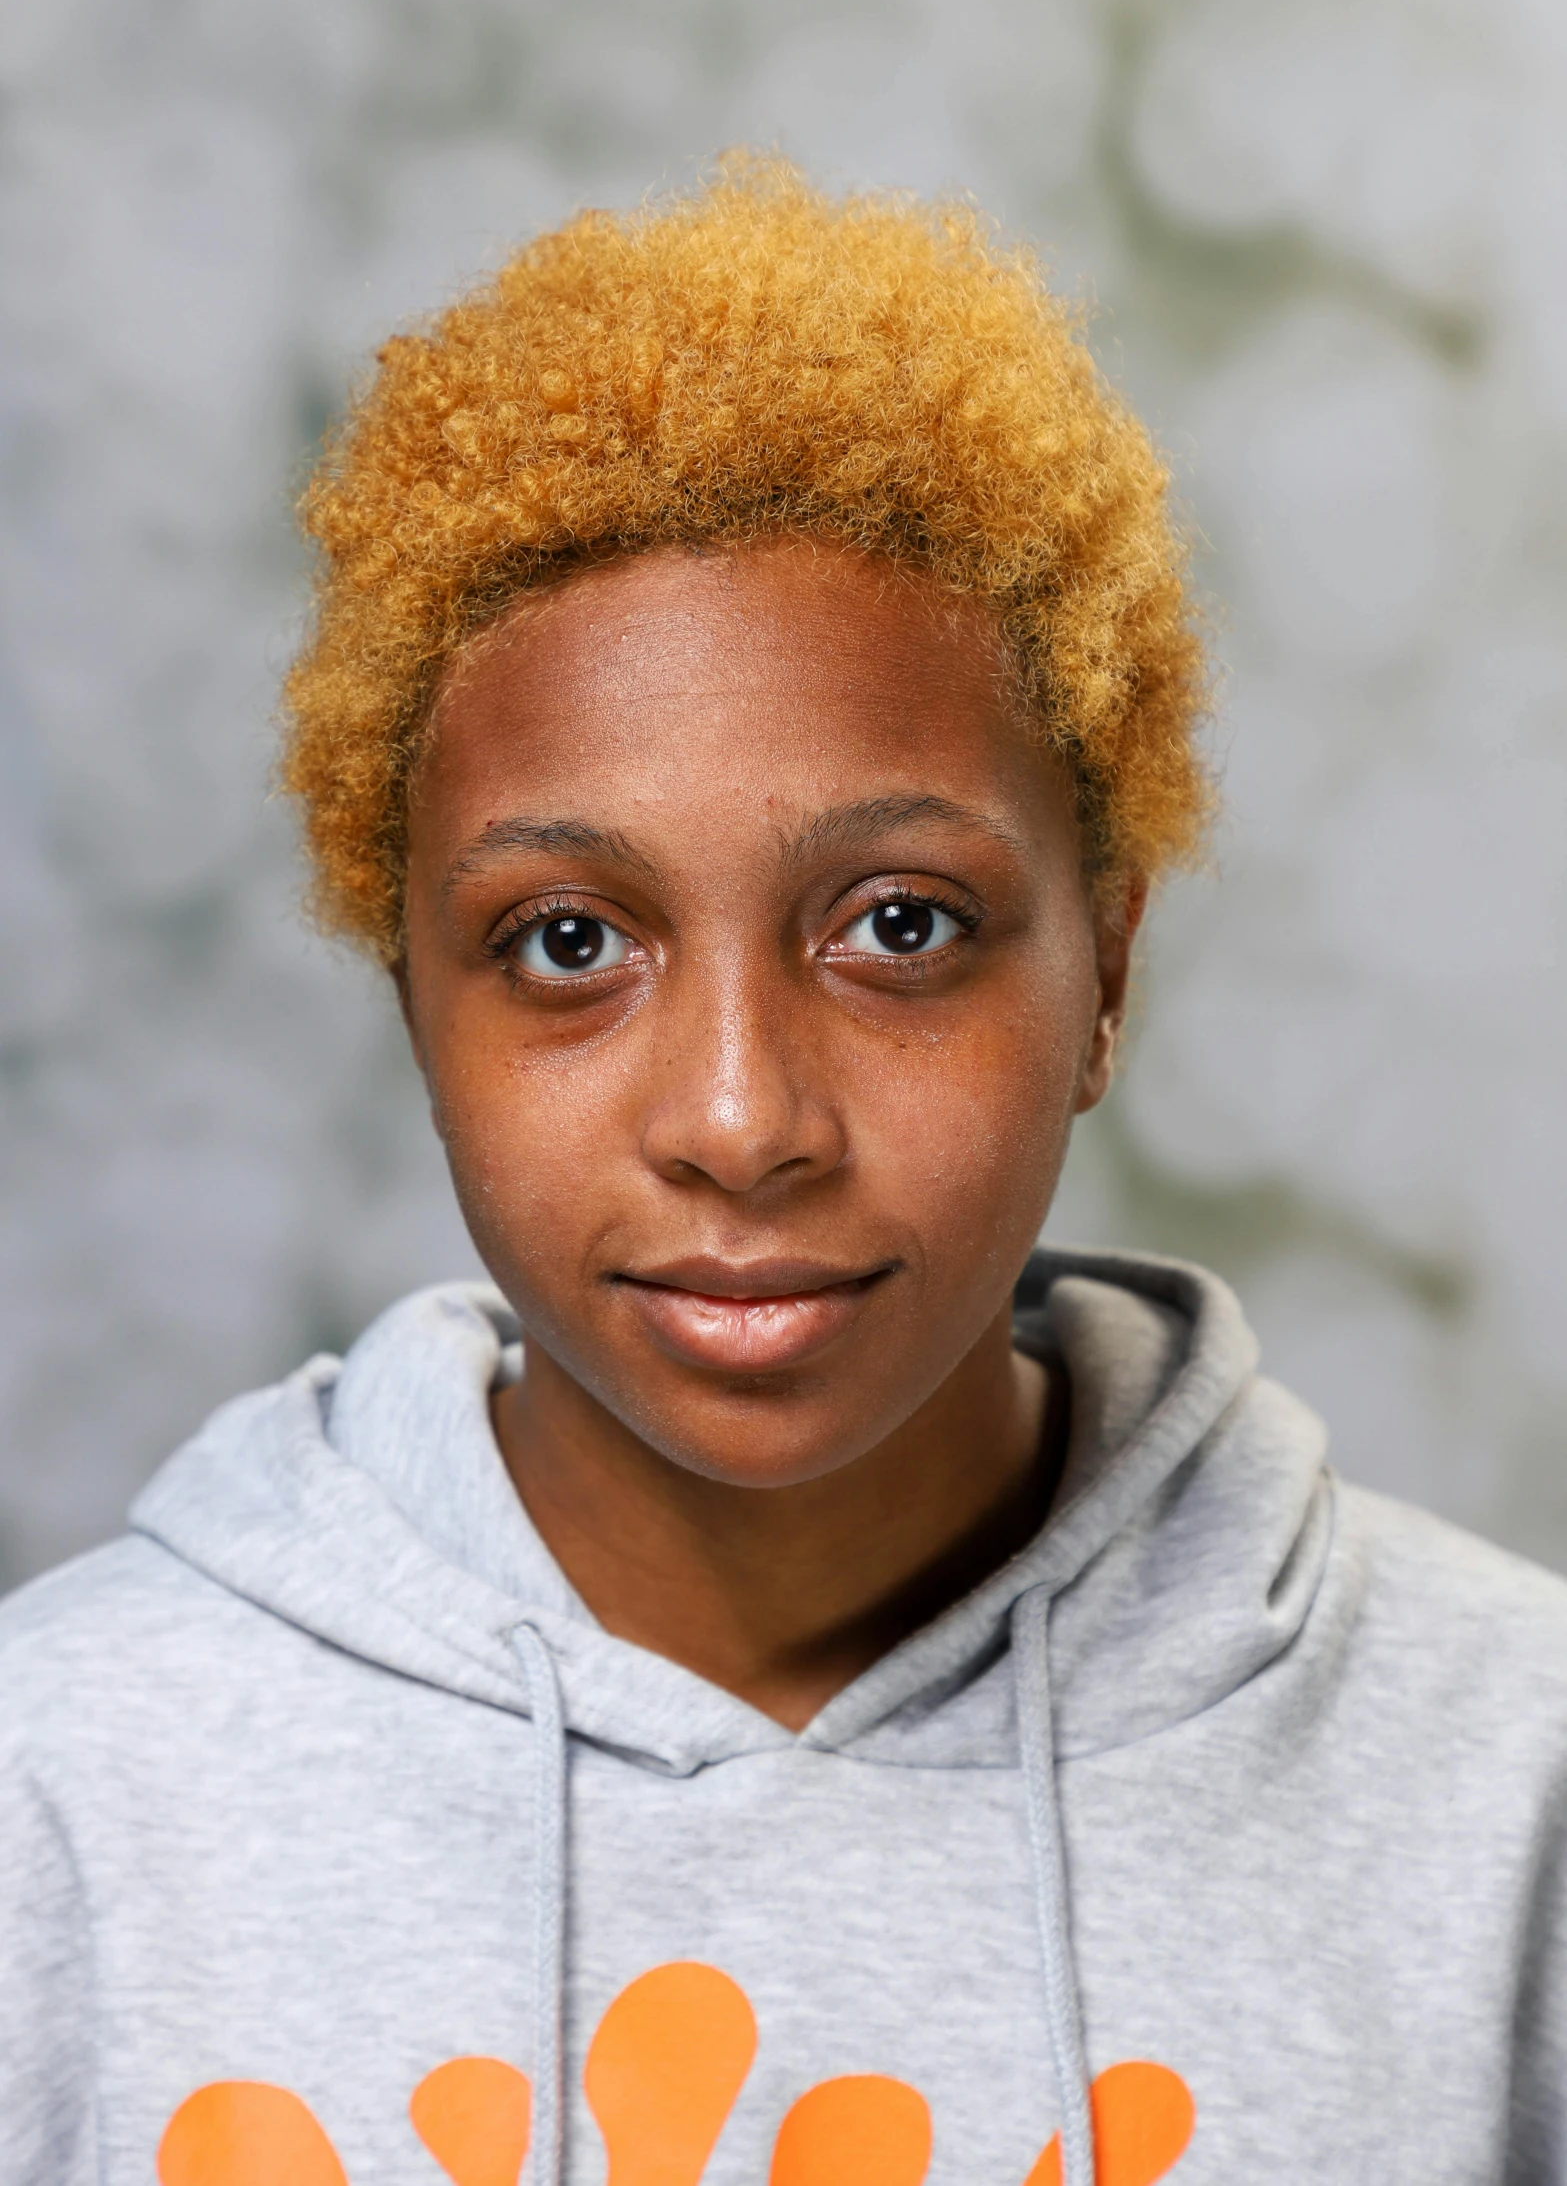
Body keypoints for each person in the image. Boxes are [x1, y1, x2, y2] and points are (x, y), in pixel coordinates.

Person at [2, 159, 1564, 2186]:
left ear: (1111, 967)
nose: (741, 1118)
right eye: (570, 941)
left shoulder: (1508, 1778)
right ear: (413, 992)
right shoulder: (59, 1793)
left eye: (898, 924)